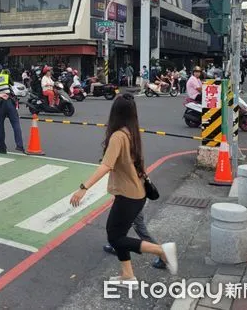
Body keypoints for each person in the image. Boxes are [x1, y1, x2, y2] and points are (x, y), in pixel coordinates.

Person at [70, 94, 178, 287]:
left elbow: (106, 166)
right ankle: (128, 275)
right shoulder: (131, 132)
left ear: (115, 113)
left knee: (115, 237)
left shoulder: (118, 136)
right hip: (135, 194)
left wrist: (83, 188)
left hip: (129, 195)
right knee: (117, 234)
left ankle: (161, 250)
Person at [0, 64, 24, 154]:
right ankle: (20, 145)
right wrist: (8, 74)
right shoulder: (6, 76)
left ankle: (2, 148)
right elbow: (12, 84)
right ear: (1, 70)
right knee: (15, 123)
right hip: (10, 102)